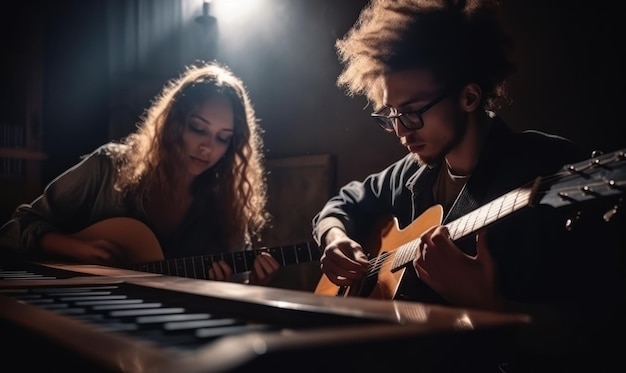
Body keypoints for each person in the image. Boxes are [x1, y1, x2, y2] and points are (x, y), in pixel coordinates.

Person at [312, 0, 623, 371]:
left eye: (412, 112)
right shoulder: (410, 173)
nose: (400, 130)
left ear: (469, 97)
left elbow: (599, 336)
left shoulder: (548, 165)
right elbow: (343, 202)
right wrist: (333, 237)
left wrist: (491, 307)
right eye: (391, 115)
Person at [0, 61, 280, 286]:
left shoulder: (224, 203)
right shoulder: (109, 167)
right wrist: (76, 248)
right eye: (198, 128)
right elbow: (16, 228)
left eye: (223, 138)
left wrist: (254, 283)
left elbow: (238, 284)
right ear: (173, 124)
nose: (208, 147)